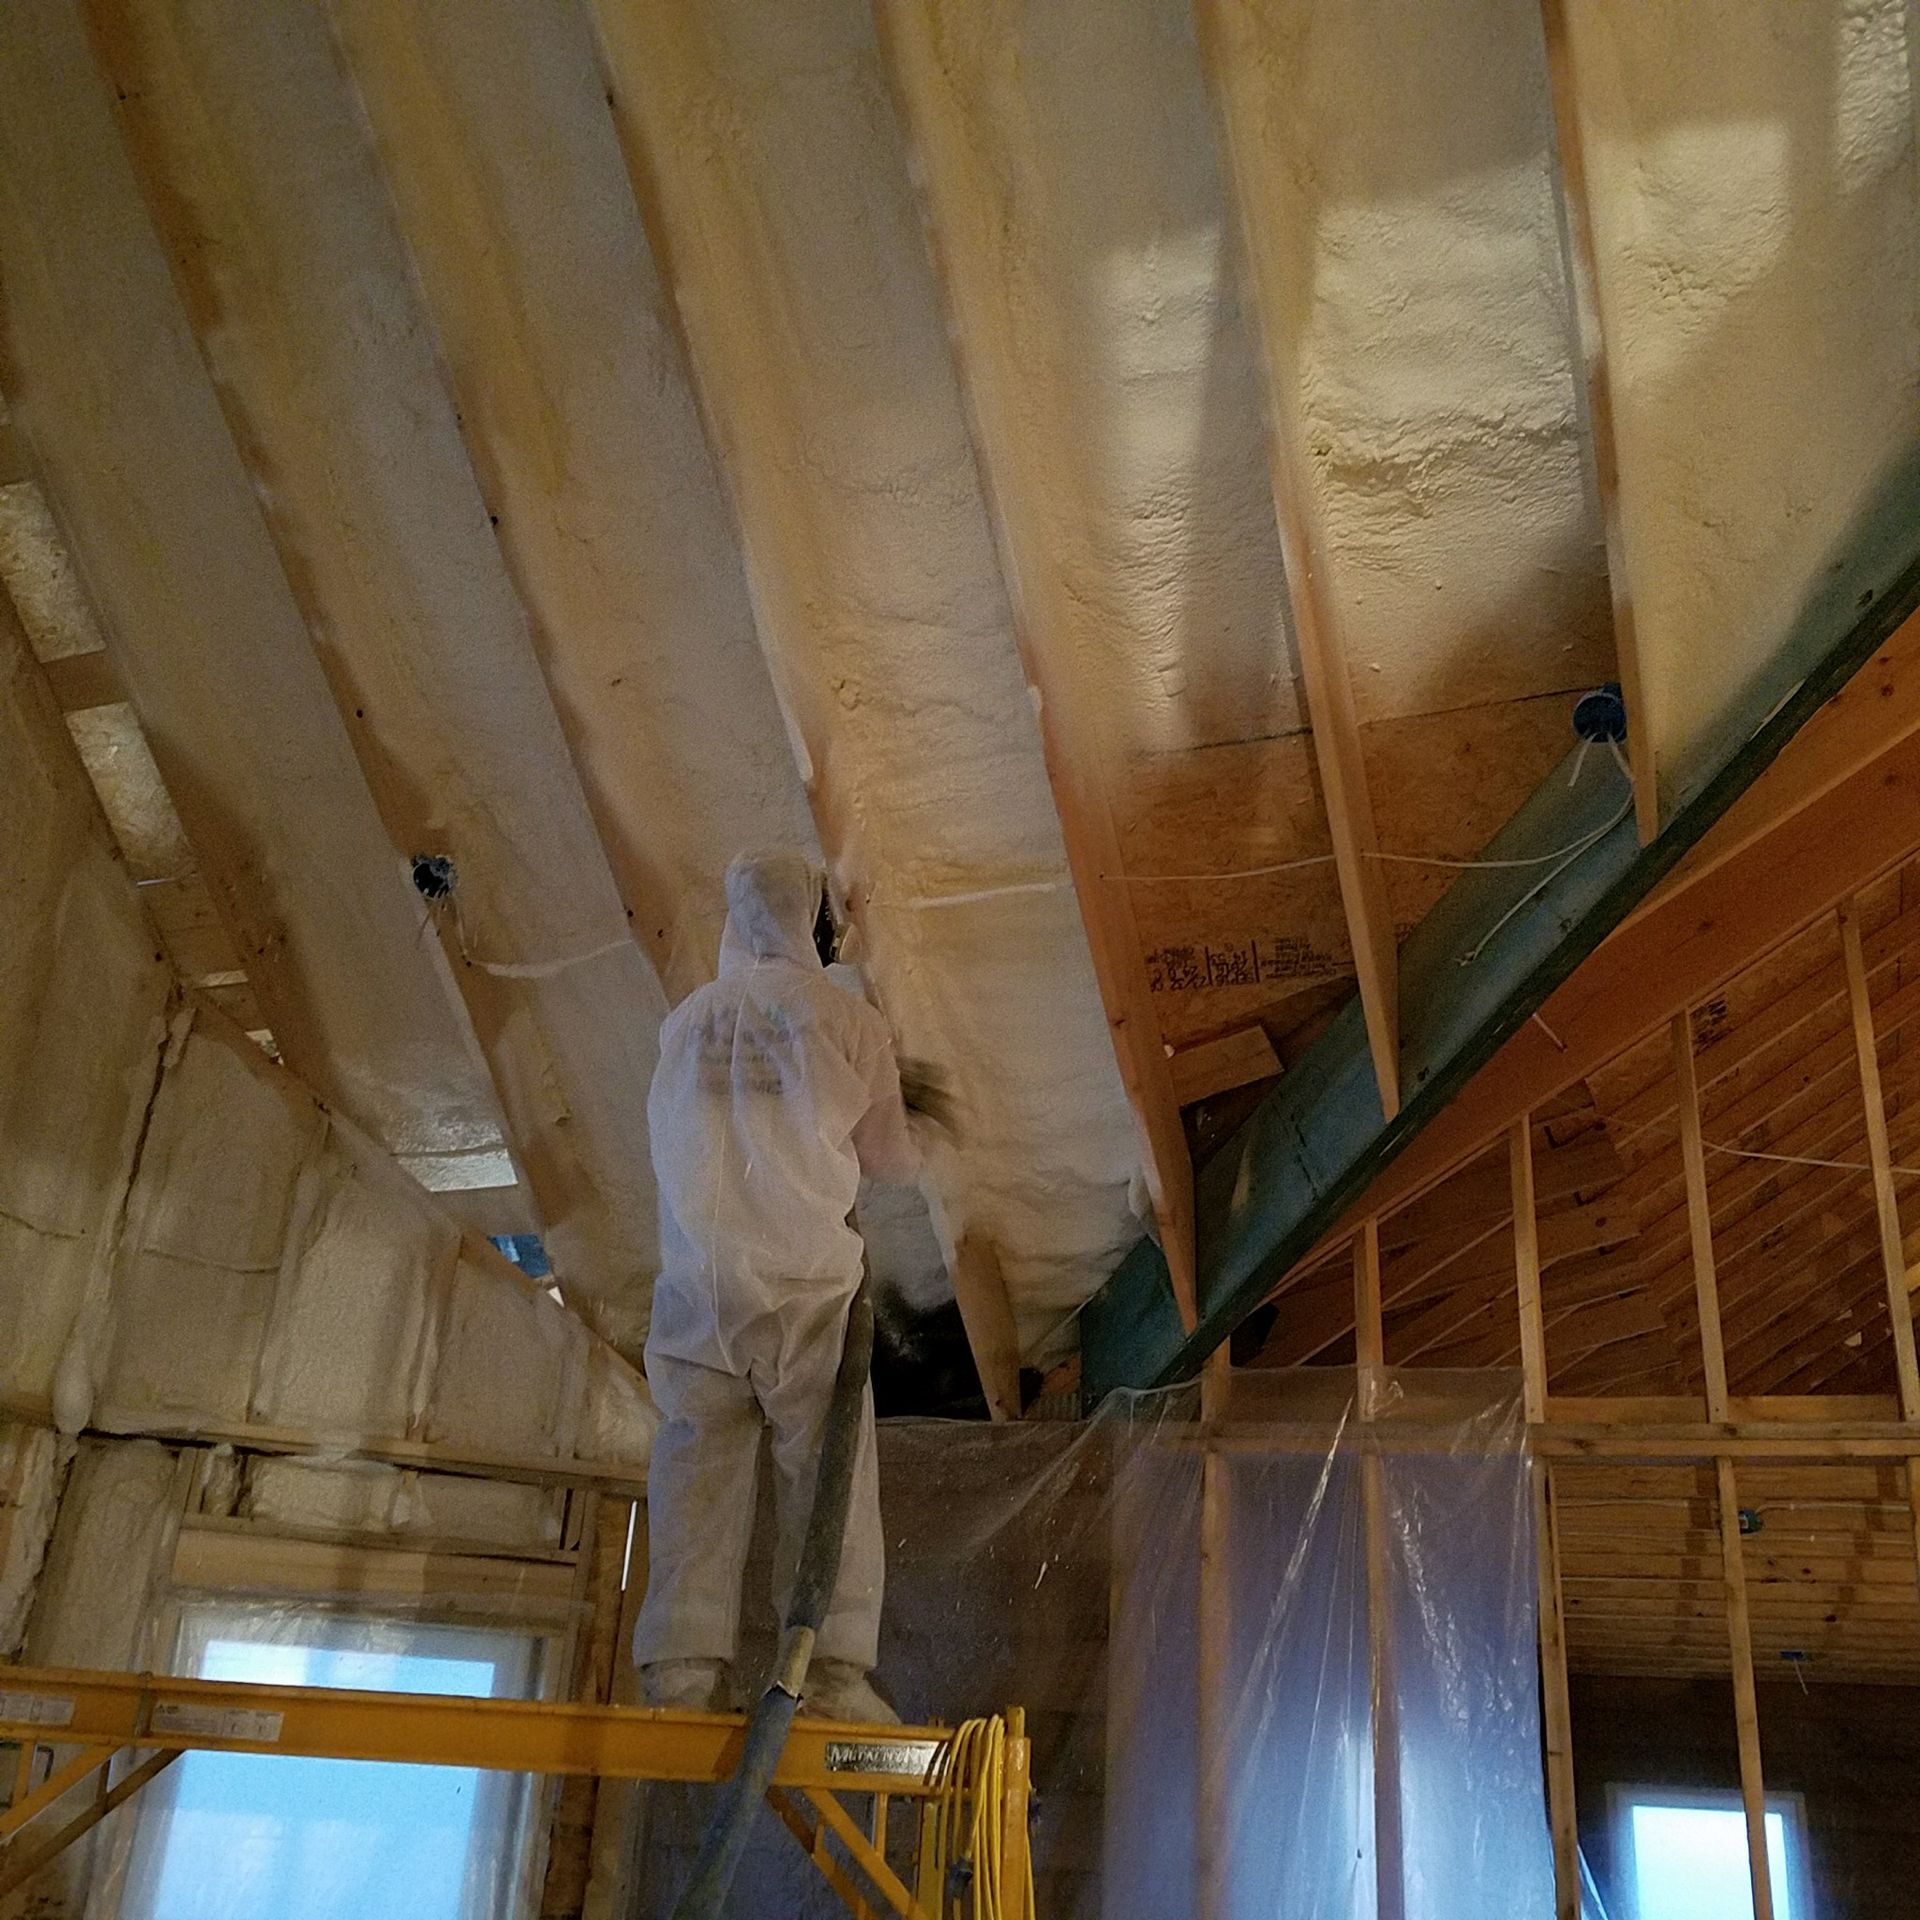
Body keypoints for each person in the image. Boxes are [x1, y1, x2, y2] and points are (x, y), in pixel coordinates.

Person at [634, 849, 915, 1722]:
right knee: (825, 1469)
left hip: (697, 1289)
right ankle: (827, 1674)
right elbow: (891, 1160)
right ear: (811, 924)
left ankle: (680, 1678)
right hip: (803, 1291)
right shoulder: (845, 1022)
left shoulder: (683, 1025)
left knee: (695, 1467)